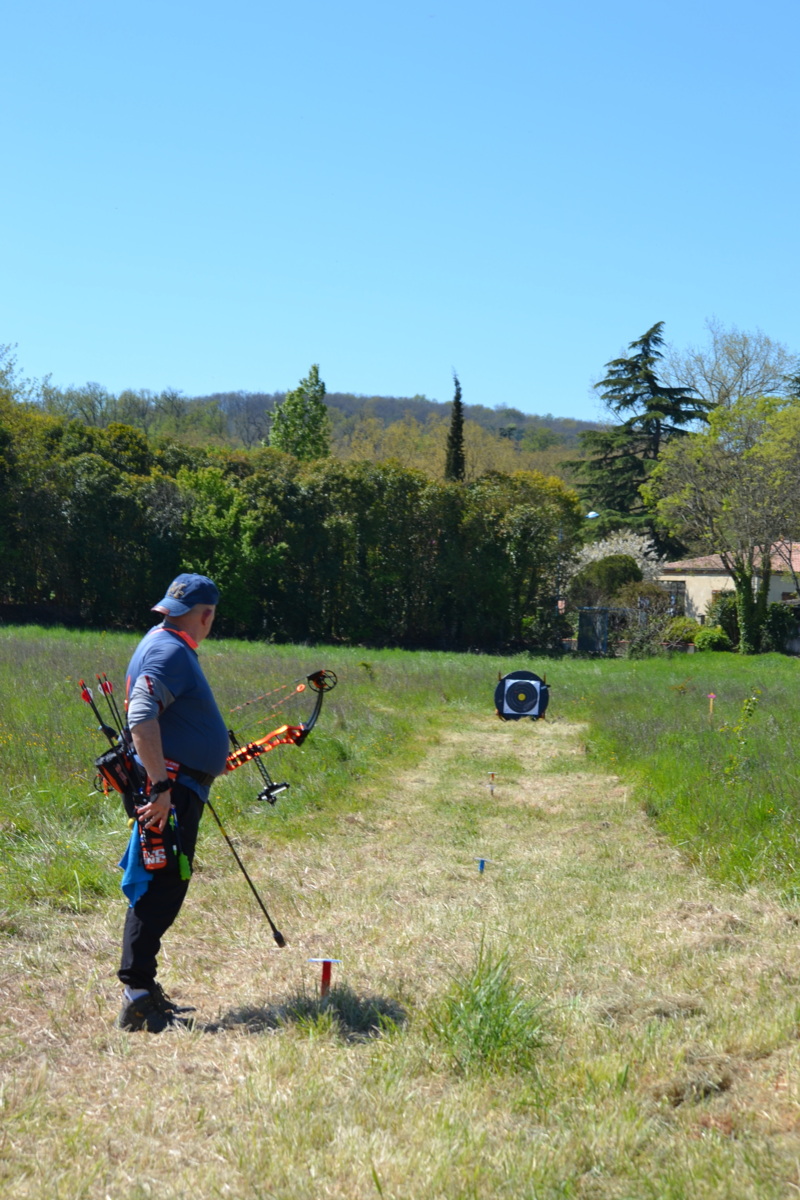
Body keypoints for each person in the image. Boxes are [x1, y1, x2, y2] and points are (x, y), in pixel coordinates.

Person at [117, 573, 230, 1032]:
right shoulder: (170, 650)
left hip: (176, 787)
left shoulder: (161, 641)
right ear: (206, 615)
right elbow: (141, 715)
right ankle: (137, 997)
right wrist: (162, 787)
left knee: (162, 882)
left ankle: (142, 988)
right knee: (162, 886)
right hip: (170, 792)